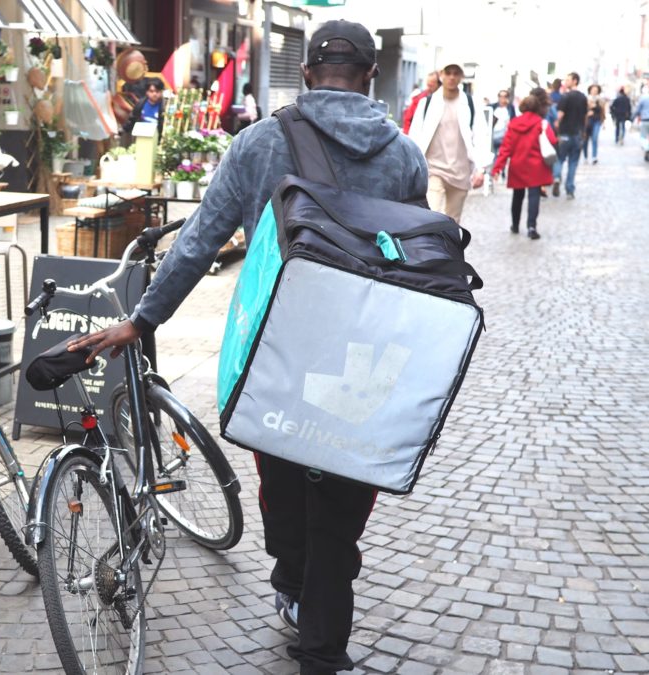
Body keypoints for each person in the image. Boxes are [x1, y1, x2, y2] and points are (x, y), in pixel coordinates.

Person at [68, 20, 428, 675]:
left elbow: (198, 242)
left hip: (278, 353)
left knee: (283, 481)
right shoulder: (403, 156)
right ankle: (321, 640)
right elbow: (417, 264)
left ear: (310, 74)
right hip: (366, 358)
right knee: (342, 497)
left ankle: (291, 578)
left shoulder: (261, 143)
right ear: (370, 77)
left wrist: (140, 321)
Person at [408, 63, 487, 223]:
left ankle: (449, 248)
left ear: (461, 77)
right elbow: (414, 135)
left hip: (461, 171)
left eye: (456, 73)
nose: (452, 77)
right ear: (441, 75)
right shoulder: (427, 103)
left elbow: (481, 136)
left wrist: (481, 169)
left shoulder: (471, 105)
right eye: (448, 73)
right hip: (433, 170)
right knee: (430, 217)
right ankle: (431, 248)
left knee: (453, 222)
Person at [491, 88, 557, 240]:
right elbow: (552, 141)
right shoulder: (542, 124)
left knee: (517, 196)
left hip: (518, 165)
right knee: (534, 196)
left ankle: (515, 225)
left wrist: (498, 167)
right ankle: (531, 226)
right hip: (536, 166)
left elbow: (506, 147)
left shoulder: (514, 123)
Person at [552, 72, 588, 198]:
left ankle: (556, 177)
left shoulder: (565, 96)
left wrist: (556, 125)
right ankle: (570, 189)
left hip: (564, 133)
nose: (565, 82)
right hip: (577, 133)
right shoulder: (583, 97)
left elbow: (560, 115)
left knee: (559, 159)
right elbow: (584, 117)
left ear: (575, 81)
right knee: (573, 162)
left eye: (568, 80)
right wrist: (583, 132)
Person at [490, 89, 517, 166]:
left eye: (505, 96)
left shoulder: (510, 108)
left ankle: (501, 172)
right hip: (493, 136)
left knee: (503, 157)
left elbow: (513, 120)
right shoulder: (492, 107)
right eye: (500, 96)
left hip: (505, 136)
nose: (502, 98)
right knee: (493, 156)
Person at [583, 84, 606, 164]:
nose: (594, 91)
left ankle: (594, 157)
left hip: (597, 121)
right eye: (593, 90)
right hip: (587, 121)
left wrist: (603, 122)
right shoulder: (585, 99)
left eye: (596, 90)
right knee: (585, 139)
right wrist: (587, 113)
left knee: (595, 138)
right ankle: (585, 157)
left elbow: (603, 111)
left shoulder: (600, 100)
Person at [634, 92, 649, 162]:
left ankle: (647, 149)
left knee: (643, 137)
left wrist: (632, 117)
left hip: (645, 120)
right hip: (644, 119)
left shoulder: (643, 98)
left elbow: (638, 110)